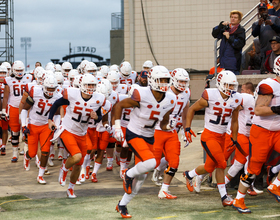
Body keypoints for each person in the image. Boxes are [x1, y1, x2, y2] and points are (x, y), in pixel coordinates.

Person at [114, 65, 176, 218]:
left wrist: (169, 126)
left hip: (149, 135)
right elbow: (119, 105)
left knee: (141, 177)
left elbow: (163, 123)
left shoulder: (170, 99)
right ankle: (127, 174)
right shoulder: (141, 93)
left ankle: (122, 205)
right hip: (134, 132)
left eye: (166, 80)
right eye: (161, 80)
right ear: (153, 80)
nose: (164, 83)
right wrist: (116, 127)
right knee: (151, 163)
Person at [183, 70, 243, 207]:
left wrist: (234, 138)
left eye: (232, 85)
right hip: (209, 135)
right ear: (220, 84)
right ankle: (223, 196)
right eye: (228, 85)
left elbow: (234, 120)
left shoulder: (236, 98)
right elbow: (192, 109)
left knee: (210, 167)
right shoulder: (210, 95)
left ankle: (189, 174)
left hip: (222, 137)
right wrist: (187, 127)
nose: (231, 88)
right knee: (221, 163)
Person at [232, 55, 280, 214]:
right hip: (262, 131)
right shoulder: (270, 85)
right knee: (253, 169)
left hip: (278, 131)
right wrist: (276, 109)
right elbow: (259, 110)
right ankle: (238, 199)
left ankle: (275, 185)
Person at [48, 74, 105, 198]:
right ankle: (64, 168)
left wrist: (97, 117)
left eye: (93, 85)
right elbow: (56, 104)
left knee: (78, 165)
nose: (90, 87)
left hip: (82, 134)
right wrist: (50, 119)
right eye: (88, 85)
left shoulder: (98, 99)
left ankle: (71, 189)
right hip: (68, 130)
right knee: (77, 156)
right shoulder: (72, 94)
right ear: (82, 85)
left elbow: (100, 116)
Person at [153, 68, 190, 199]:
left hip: (172, 130)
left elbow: (185, 114)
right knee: (152, 162)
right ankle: (132, 178)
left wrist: (186, 131)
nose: (182, 84)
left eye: (185, 81)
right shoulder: (163, 91)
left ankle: (164, 190)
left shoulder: (186, 93)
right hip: (157, 129)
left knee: (174, 161)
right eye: (180, 81)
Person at [21, 75, 61, 184]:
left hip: (46, 126)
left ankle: (40, 175)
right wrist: (24, 125)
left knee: (45, 151)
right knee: (33, 153)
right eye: (49, 88)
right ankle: (27, 156)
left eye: (53, 89)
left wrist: (56, 127)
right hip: (33, 124)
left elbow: (57, 114)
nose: (51, 91)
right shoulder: (35, 92)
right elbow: (25, 109)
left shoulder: (57, 97)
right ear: (44, 87)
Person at [2, 60, 32, 162]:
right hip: (14, 107)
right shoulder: (8, 80)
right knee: (15, 132)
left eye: (21, 70)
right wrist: (3, 109)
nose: (19, 72)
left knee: (27, 130)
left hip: (26, 107)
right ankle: (15, 153)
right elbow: (6, 97)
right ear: (13, 70)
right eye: (17, 70)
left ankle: (26, 150)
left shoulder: (29, 78)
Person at [212, 10, 245, 75]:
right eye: (231, 17)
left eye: (235, 17)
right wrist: (220, 25)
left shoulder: (240, 30)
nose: (233, 19)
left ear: (239, 20)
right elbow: (214, 34)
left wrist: (229, 38)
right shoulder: (226, 28)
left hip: (234, 61)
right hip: (225, 60)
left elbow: (240, 44)